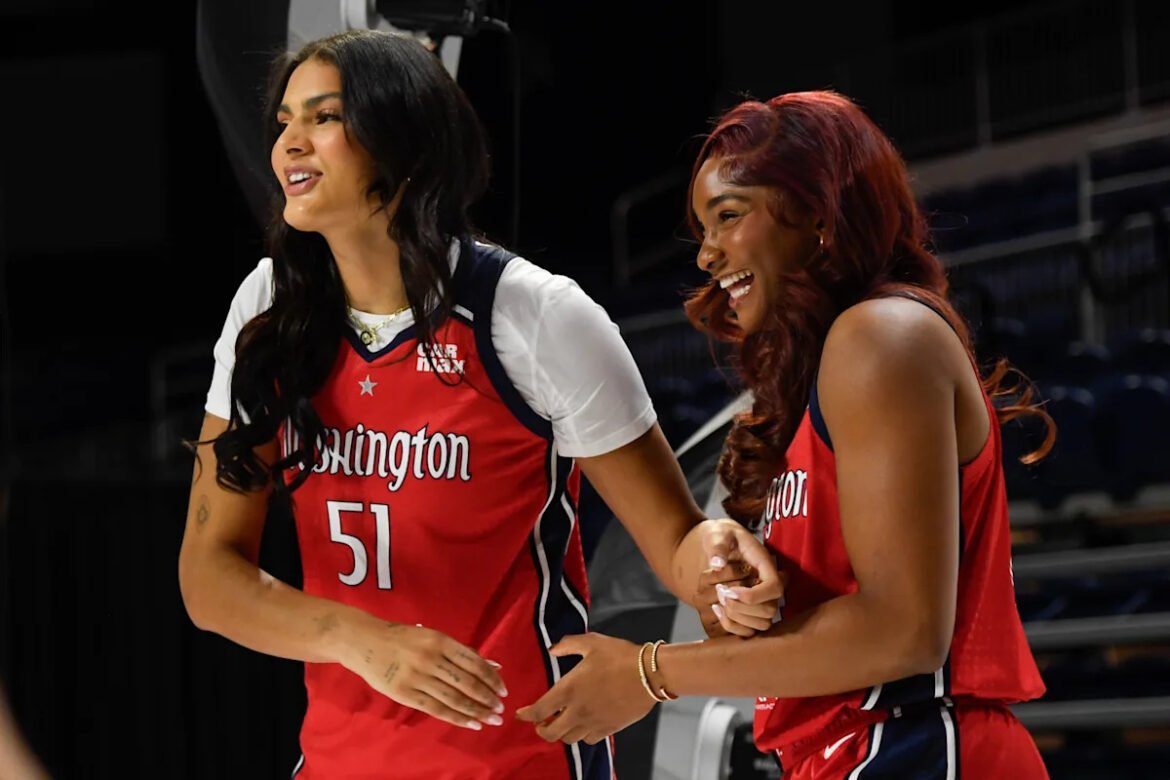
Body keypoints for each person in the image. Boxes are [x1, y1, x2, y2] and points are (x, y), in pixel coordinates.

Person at [177, 29, 780, 780]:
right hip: (338, 763)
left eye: (324, 117)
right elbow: (208, 579)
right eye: (284, 122)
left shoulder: (535, 315)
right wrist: (361, 640)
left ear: (403, 142)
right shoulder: (270, 308)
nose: (289, 144)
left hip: (518, 758)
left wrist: (720, 559)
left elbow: (678, 540)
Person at [515, 90, 1055, 779]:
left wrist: (650, 673)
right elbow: (835, 628)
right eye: (702, 228)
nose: (706, 255)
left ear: (819, 214)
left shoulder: (882, 334)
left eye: (728, 216)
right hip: (850, 752)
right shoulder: (824, 373)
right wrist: (744, 590)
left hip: (916, 745)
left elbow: (904, 632)